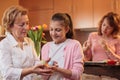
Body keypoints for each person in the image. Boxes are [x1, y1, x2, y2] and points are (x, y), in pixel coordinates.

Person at [0, 5, 52, 80]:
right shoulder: (4, 45)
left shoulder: (29, 41)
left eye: (27, 23)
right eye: (21, 25)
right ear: (9, 26)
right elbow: (7, 73)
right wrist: (31, 70)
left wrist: (44, 65)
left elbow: (35, 62)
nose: (26, 27)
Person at [41, 13, 84, 80]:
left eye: (58, 30)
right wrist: (46, 69)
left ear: (66, 29)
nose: (53, 34)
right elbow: (43, 77)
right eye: (51, 29)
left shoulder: (74, 45)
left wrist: (57, 69)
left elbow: (77, 74)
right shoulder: (45, 47)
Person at [83, 12, 120, 80]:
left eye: (109, 27)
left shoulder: (117, 39)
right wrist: (84, 51)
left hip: (111, 72)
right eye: (104, 25)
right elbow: (87, 58)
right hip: (95, 71)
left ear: (114, 29)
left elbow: (118, 60)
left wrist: (107, 48)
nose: (104, 29)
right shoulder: (92, 35)